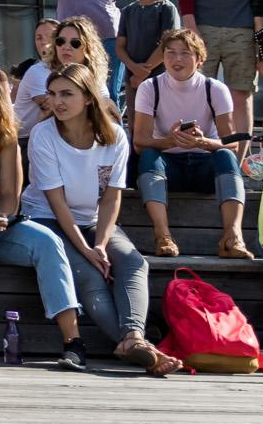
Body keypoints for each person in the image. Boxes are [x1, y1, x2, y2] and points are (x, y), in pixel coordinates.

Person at [25, 64, 179, 374]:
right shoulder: (43, 135)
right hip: (47, 218)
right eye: (53, 94)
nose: (57, 102)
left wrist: (103, 243)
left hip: (94, 220)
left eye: (67, 94)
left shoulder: (115, 137)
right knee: (90, 275)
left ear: (88, 97)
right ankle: (135, 343)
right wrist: (88, 250)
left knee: (135, 262)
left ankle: (133, 337)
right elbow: (56, 203)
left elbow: (111, 198)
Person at [0, 51, 90, 370]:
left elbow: (10, 194)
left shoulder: (4, 130)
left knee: (48, 241)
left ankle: (72, 341)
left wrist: (2, 218)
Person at [130, 28, 251, 259]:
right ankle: (163, 235)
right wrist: (168, 141)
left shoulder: (214, 88)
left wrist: (203, 142)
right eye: (170, 52)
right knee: (147, 155)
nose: (177, 59)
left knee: (225, 157)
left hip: (205, 166)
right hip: (168, 169)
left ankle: (233, 236)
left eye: (185, 53)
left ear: (200, 59)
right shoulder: (149, 87)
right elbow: (139, 142)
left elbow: (232, 143)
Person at [12, 15, 109, 133]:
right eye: (60, 41)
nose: (66, 47)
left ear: (88, 48)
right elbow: (55, 112)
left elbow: (106, 109)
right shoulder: (38, 71)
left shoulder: (94, 74)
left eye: (75, 43)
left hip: (74, 135)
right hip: (27, 139)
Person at [114, 0, 179, 95]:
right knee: (135, 116)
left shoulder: (166, 9)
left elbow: (167, 45)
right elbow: (120, 46)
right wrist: (134, 68)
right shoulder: (128, 11)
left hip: (161, 77)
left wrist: (143, 73)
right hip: (132, 79)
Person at [14, 18, 56, 83]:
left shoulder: (68, 68)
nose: (43, 42)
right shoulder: (24, 68)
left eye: (50, 36)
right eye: (39, 38)